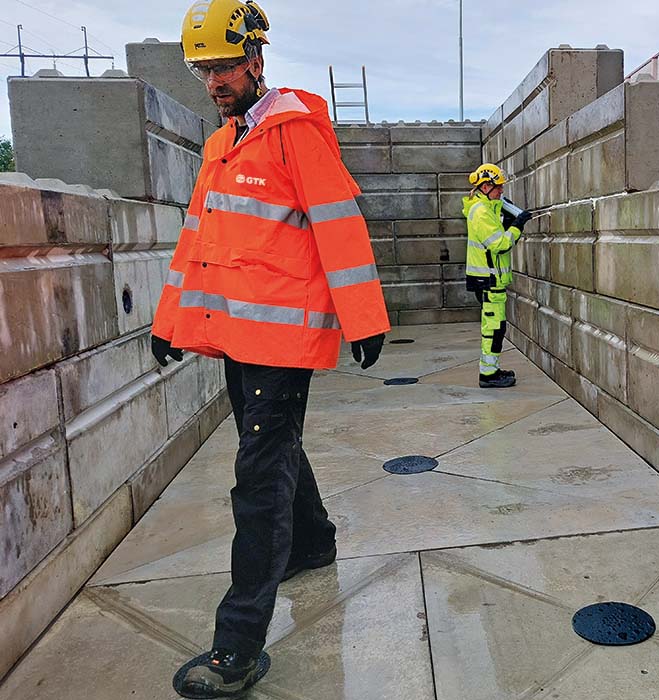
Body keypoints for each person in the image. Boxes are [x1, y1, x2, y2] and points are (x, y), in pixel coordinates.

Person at [151, 1, 390, 696]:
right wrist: (170, 321)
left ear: (257, 59)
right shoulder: (222, 145)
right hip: (237, 337)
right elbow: (196, 244)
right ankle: (312, 543)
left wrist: (363, 317)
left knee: (257, 479)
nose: (214, 81)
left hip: (284, 339)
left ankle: (239, 643)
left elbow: (339, 228)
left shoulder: (295, 133)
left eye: (224, 66)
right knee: (275, 448)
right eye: (204, 70)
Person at [462, 164, 532, 388]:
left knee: (495, 327)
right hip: (488, 281)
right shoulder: (481, 212)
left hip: (491, 280)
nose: (501, 191)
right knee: (493, 329)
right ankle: (488, 375)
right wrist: (517, 226)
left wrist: (509, 220)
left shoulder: (487, 207)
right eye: (498, 187)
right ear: (485, 186)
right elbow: (500, 245)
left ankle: (491, 370)